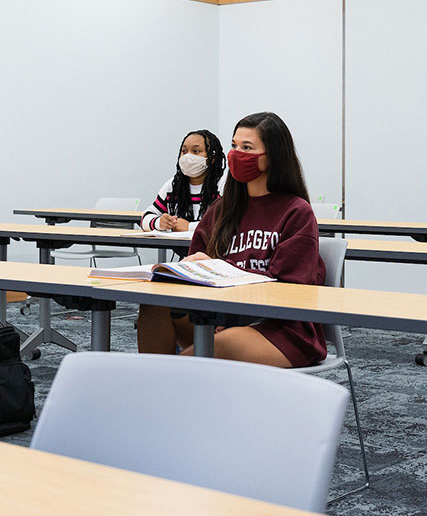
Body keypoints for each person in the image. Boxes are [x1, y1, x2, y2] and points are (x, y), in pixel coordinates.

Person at [136, 111, 326, 367]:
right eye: (234, 145)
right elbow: (191, 275)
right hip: (221, 317)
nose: (236, 154)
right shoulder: (221, 210)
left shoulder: (296, 212)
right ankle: (159, 389)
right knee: (154, 304)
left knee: (199, 358)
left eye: (247, 147)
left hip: (279, 329)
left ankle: (160, 392)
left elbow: (287, 293)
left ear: (274, 157)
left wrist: (222, 271)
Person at [139, 129, 225, 233]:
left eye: (196, 151)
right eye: (184, 151)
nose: (187, 156)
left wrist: (189, 227)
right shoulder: (173, 185)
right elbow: (144, 219)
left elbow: (229, 223)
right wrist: (159, 222)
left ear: (212, 157)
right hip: (182, 248)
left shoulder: (223, 184)